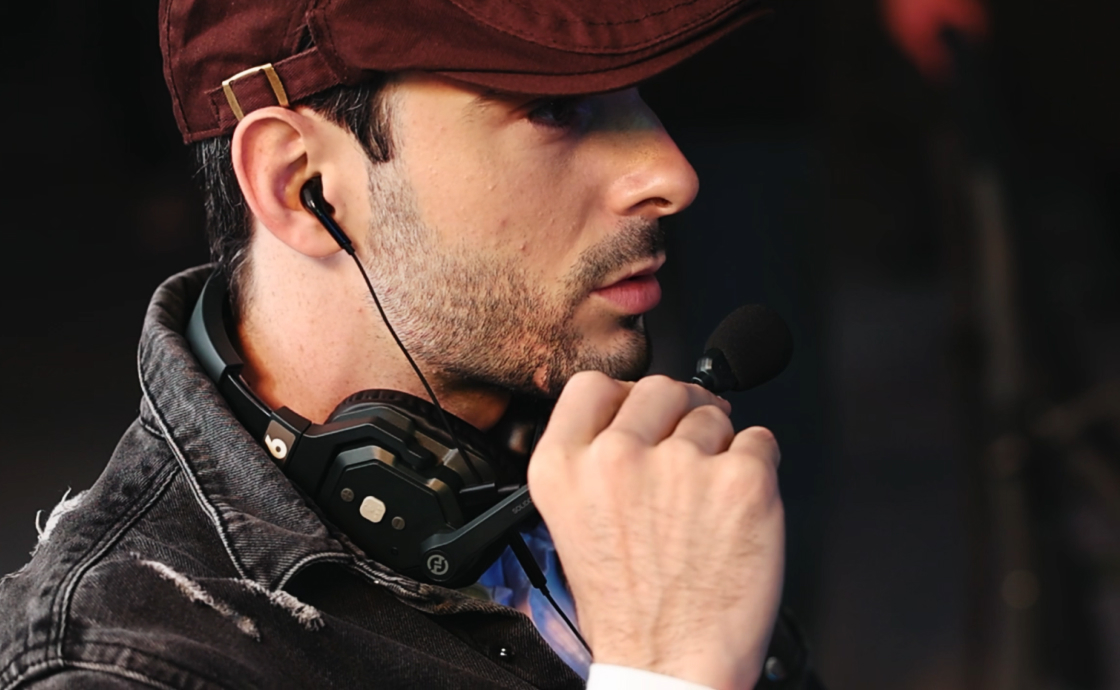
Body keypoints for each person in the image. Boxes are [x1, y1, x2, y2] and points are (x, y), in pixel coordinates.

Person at [0, 0, 817, 688]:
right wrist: (663, 671)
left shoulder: (617, 471)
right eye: (555, 110)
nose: (672, 173)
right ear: (303, 185)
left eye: (638, 94)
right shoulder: (121, 665)